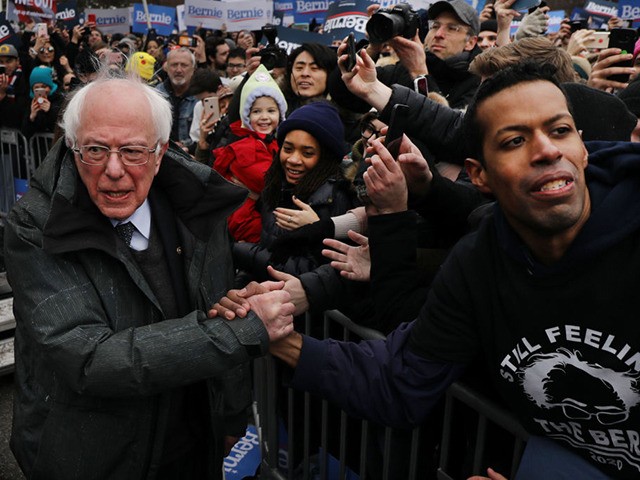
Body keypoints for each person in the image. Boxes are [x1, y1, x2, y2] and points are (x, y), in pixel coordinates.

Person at [232, 62, 640, 479]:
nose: (547, 150)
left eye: (560, 131)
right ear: (479, 175)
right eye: (515, 140)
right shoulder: (479, 262)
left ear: (584, 149)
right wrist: (274, 334)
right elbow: (401, 378)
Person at [4, 70, 295, 480]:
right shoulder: (35, 224)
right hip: (91, 455)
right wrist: (240, 332)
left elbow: (218, 305)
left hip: (192, 445)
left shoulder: (198, 206)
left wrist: (230, 417)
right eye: (96, 149)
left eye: (134, 151)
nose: (115, 169)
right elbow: (88, 357)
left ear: (160, 153)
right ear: (71, 148)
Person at [233, 101, 355, 281]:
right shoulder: (275, 186)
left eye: (307, 153)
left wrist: (240, 252)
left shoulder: (336, 198)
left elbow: (319, 275)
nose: (293, 160)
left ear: (325, 158)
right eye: (288, 149)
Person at [329, 0, 482, 112]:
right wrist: (373, 46)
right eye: (435, 26)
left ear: (470, 42)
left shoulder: (480, 80)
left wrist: (419, 74)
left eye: (452, 28)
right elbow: (345, 96)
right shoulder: (403, 69)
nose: (439, 34)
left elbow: (451, 132)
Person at [212, 64, 287, 243]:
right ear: (247, 116)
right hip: (244, 220)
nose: (264, 117)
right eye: (256, 111)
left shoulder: (273, 142)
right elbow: (263, 180)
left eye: (271, 111)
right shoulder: (245, 147)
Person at [156, 47, 198, 150]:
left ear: (193, 69)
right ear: (166, 67)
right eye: (174, 65)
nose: (178, 70)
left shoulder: (202, 96)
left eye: (184, 65)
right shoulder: (156, 95)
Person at [22, 66, 63, 138]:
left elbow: (61, 128)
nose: (41, 90)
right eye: (37, 87)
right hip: (38, 147)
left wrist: (50, 111)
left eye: (44, 86)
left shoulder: (60, 98)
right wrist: (31, 118)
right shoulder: (31, 102)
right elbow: (26, 133)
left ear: (50, 86)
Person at [0, 43, 30, 129]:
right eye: (1, 62)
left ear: (17, 62)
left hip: (17, 133)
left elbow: (17, 116)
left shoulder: (23, 79)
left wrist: (2, 95)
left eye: (9, 61)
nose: (5, 66)